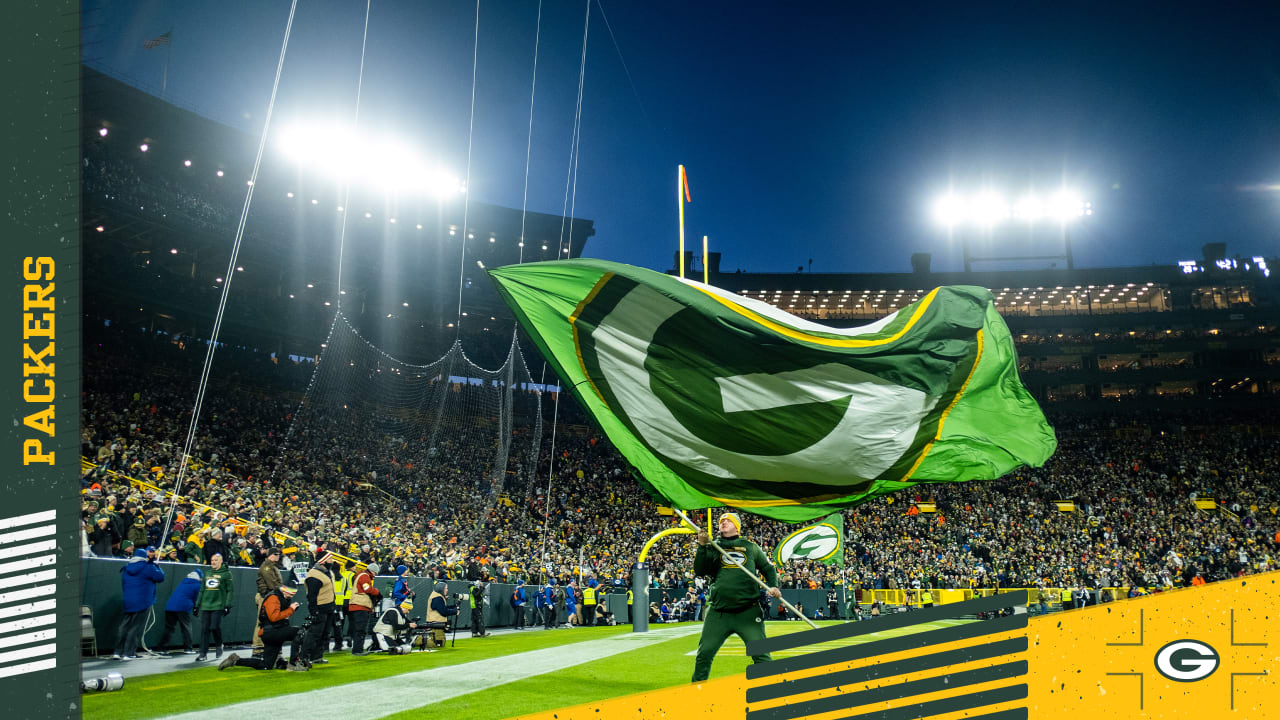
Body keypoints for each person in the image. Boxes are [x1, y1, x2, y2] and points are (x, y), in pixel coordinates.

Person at [690, 512, 781, 683]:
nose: (723, 522)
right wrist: (702, 547)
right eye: (721, 520)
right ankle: (696, 692)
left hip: (748, 611)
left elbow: (768, 569)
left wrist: (773, 585)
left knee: (761, 655)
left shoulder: (750, 547)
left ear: (737, 525)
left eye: (727, 520)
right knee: (704, 654)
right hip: (719, 612)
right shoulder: (713, 545)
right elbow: (700, 571)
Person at [219, 586, 309, 671]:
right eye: (290, 593)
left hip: (272, 632)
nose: (291, 596)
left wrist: (290, 610)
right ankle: (294, 664)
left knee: (266, 665)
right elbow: (273, 617)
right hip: (271, 631)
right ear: (284, 589)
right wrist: (290, 610)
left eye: (293, 594)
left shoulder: (281, 597)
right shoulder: (273, 597)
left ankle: (235, 660)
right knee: (300, 632)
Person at [113, 546, 164, 660]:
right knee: (134, 628)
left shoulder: (126, 568)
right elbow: (160, 577)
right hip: (142, 601)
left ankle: (117, 652)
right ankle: (128, 653)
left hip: (128, 600)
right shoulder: (147, 567)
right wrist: (156, 566)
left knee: (124, 626)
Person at [195, 552, 233, 661]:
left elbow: (230, 590)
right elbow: (202, 590)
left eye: (216, 560)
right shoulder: (207, 573)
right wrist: (197, 604)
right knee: (204, 629)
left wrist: (227, 605)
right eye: (212, 560)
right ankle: (203, 653)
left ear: (221, 561)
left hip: (218, 605)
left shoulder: (226, 574)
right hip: (206, 605)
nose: (213, 562)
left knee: (214, 627)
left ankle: (219, 644)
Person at [302, 552, 338, 664]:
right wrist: (314, 611)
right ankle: (304, 657)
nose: (332, 561)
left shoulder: (328, 572)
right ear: (323, 561)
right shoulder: (314, 575)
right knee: (314, 634)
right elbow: (311, 595)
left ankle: (317, 656)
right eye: (330, 559)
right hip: (320, 607)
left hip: (329, 607)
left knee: (325, 634)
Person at [158, 568, 201, 654]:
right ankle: (188, 648)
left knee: (169, 628)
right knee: (186, 628)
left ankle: (162, 648)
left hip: (170, 607)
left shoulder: (183, 581)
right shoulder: (198, 584)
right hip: (183, 608)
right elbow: (197, 599)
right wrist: (196, 608)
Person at [253, 547, 286, 657]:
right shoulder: (267, 567)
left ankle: (266, 647)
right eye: (276, 554)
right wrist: (283, 591)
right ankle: (258, 649)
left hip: (270, 597)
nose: (278, 556)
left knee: (269, 623)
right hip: (265, 596)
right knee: (261, 622)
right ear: (271, 555)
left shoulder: (272, 566)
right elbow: (273, 584)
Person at [349, 562, 381, 655]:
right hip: (360, 606)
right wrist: (377, 592)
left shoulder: (362, 575)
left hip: (358, 606)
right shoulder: (364, 576)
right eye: (375, 573)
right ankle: (357, 650)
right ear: (372, 571)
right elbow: (367, 589)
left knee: (359, 629)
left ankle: (357, 649)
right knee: (360, 629)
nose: (375, 575)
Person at [424, 581, 460, 648]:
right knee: (437, 644)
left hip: (436, 623)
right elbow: (443, 611)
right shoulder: (437, 598)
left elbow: (443, 607)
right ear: (442, 589)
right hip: (435, 623)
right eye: (446, 588)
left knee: (441, 643)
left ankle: (422, 640)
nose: (447, 590)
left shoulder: (438, 596)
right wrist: (455, 611)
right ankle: (418, 640)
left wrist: (453, 607)